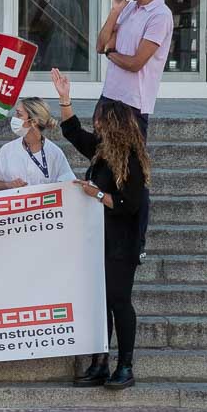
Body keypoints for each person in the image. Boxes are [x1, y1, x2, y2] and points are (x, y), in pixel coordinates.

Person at [52, 68, 149, 391]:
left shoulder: (131, 160)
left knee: (119, 301)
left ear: (115, 125)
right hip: (99, 240)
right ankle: (99, 362)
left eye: (100, 121)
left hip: (122, 244)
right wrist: (65, 100)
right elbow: (73, 133)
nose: (96, 125)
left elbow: (129, 205)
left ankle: (126, 364)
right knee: (99, 302)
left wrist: (95, 193)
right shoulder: (102, 151)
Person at [97, 0, 172, 258]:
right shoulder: (127, 9)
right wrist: (116, 10)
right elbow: (101, 43)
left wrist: (111, 54)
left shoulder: (160, 15)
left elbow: (136, 62)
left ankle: (136, 242)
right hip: (109, 99)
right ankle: (104, 231)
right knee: (102, 164)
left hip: (132, 105)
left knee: (133, 176)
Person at [0, 97, 76, 190]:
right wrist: (9, 185)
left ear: (34, 121)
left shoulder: (54, 153)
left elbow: (69, 185)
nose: (14, 118)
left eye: (19, 115)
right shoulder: (6, 150)